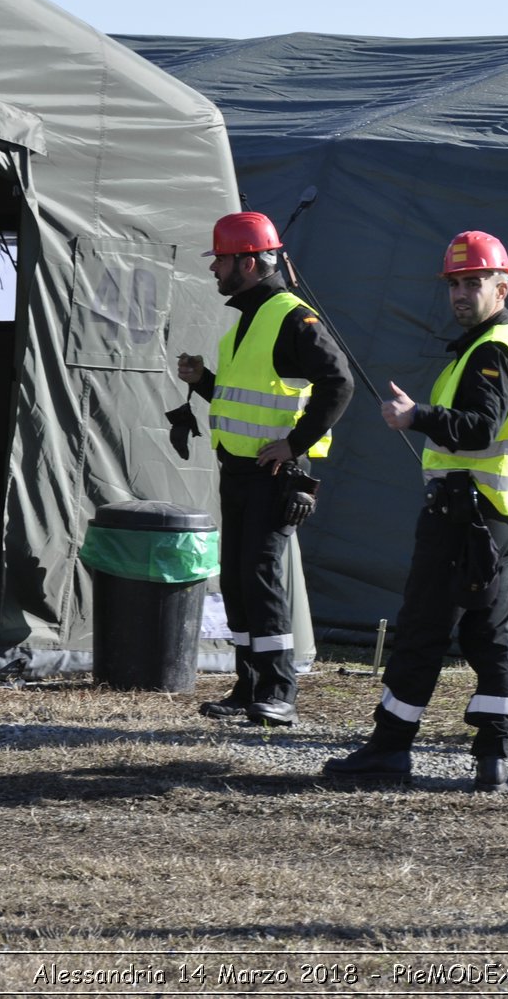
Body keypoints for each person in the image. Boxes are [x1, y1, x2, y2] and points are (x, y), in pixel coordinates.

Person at [323, 230, 508, 793]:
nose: (461, 294)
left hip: (464, 517)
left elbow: (478, 429)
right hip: (493, 518)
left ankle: (390, 749)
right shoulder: (491, 348)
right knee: (488, 633)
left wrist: (414, 416)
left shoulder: (490, 353)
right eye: (454, 284)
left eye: (474, 283)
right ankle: (492, 752)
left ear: (502, 287)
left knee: (424, 630)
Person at [176, 211, 353, 727]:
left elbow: (338, 384)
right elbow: (243, 401)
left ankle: (279, 690)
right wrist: (205, 380)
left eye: (221, 261)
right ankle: (249, 686)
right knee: (238, 579)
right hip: (239, 471)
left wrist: (294, 444)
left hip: (275, 476)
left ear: (248, 263)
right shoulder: (247, 321)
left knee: (260, 577)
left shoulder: (292, 317)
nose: (214, 271)